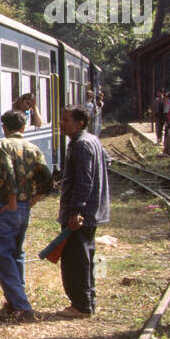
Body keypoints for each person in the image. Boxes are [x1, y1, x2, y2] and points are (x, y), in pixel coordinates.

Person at [0, 109, 54, 321]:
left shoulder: (3, 145)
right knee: (17, 253)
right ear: (24, 128)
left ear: (4, 128)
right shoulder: (34, 148)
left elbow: (7, 171)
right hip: (25, 206)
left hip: (8, 206)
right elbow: (46, 177)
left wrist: (12, 201)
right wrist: (32, 200)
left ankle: (21, 305)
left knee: (3, 255)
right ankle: (15, 299)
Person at [57, 105, 110, 318]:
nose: (61, 123)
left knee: (75, 260)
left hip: (81, 214)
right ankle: (88, 302)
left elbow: (84, 180)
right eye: (61, 119)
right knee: (85, 257)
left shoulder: (80, 145)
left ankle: (81, 306)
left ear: (79, 123)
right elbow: (107, 160)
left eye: (66, 120)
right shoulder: (91, 140)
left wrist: (76, 211)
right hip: (91, 212)